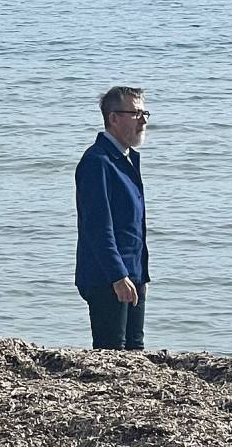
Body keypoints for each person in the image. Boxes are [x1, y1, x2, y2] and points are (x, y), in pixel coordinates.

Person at [75, 85, 151, 350]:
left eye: (144, 113)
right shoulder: (98, 162)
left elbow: (133, 228)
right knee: (111, 355)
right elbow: (98, 228)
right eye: (135, 113)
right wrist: (118, 276)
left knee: (135, 354)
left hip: (133, 275)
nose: (143, 120)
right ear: (113, 118)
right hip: (106, 278)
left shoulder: (126, 160)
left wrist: (141, 275)